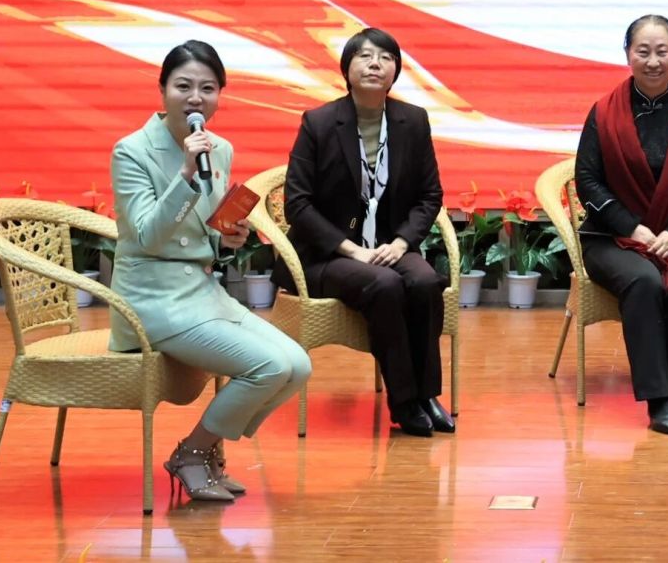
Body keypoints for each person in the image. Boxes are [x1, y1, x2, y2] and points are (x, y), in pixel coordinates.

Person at [110, 40, 312, 506]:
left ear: (220, 95)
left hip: (201, 290)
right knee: (268, 366)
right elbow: (149, 237)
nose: (195, 98)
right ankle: (194, 453)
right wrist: (184, 174)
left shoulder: (219, 149)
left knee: (297, 365)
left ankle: (205, 449)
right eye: (183, 86)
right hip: (152, 298)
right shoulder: (131, 151)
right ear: (162, 90)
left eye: (207, 88)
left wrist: (228, 239)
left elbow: (205, 231)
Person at [283, 27, 453, 437]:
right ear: (347, 69)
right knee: (385, 284)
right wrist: (351, 249)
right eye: (365, 55)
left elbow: (430, 195)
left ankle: (428, 395)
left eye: (385, 57)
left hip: (390, 246)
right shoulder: (319, 123)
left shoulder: (413, 121)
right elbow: (297, 204)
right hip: (329, 255)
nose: (375, 64)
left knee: (425, 281)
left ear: (396, 70)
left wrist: (401, 242)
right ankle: (404, 401)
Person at [575, 13, 668, 435]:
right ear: (627, 55)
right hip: (612, 238)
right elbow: (587, 180)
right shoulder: (604, 113)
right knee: (643, 281)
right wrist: (633, 228)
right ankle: (659, 400)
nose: (654, 61)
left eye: (663, 51)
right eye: (643, 51)